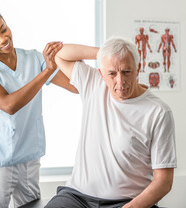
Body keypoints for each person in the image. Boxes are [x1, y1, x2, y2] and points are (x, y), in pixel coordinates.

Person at [0, 4, 77, 208]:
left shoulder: (33, 58)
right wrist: (47, 72)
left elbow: (76, 86)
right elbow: (8, 104)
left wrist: (123, 84)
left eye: (3, 29)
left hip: (29, 159)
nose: (3, 39)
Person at [46, 37, 177, 208]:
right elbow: (59, 54)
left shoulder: (158, 112)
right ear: (102, 73)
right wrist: (106, 53)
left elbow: (164, 182)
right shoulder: (92, 83)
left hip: (128, 201)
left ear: (138, 70)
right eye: (112, 74)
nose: (120, 82)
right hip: (77, 197)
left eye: (126, 72)